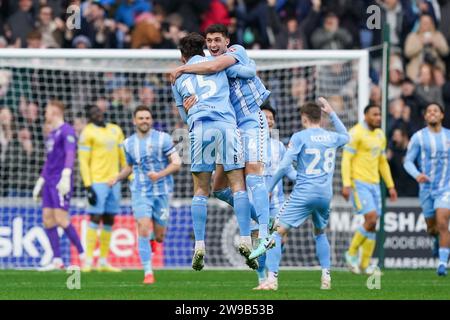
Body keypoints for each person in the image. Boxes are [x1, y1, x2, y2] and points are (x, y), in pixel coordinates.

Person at [170, 24, 273, 260]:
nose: (214, 45)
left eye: (218, 40)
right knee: (218, 188)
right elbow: (227, 70)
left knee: (253, 174)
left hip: (249, 120)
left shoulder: (233, 52)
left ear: (227, 41)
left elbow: (246, 70)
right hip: (229, 126)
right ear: (204, 45)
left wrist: (182, 70)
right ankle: (261, 221)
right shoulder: (209, 67)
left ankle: (265, 233)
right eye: (209, 41)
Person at [256, 98, 349, 290]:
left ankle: (271, 280)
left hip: (304, 192)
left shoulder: (300, 137)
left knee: (276, 232)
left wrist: (267, 189)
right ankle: (326, 277)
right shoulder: (332, 136)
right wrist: (331, 112)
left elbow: (283, 166)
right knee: (320, 232)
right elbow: (346, 136)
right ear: (321, 118)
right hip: (325, 195)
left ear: (304, 118)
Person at [109, 105, 181, 284]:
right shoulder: (128, 144)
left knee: (159, 236)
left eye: (147, 118)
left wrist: (159, 175)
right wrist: (117, 178)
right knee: (142, 226)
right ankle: (148, 272)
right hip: (140, 191)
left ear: (151, 120)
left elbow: (177, 163)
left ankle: (152, 240)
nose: (144, 121)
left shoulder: (163, 139)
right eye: (141, 118)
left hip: (162, 191)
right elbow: (129, 166)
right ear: (134, 121)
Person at [342, 104, 398, 275]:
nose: (378, 118)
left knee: (373, 225)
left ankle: (365, 264)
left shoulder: (380, 135)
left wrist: (390, 185)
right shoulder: (355, 133)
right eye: (374, 114)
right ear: (365, 115)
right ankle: (351, 253)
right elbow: (346, 160)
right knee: (371, 219)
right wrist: (346, 184)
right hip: (359, 183)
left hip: (375, 184)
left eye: (379, 115)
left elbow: (382, 162)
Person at [32, 100, 84, 270]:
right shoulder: (52, 133)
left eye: (47, 110)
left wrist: (66, 175)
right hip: (49, 181)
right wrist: (40, 180)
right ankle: (57, 260)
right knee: (47, 219)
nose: (45, 113)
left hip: (60, 181)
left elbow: (70, 153)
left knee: (61, 219)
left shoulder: (66, 130)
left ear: (55, 112)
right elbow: (49, 160)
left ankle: (83, 255)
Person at [252, 103, 296, 288]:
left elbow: (290, 172)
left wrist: (305, 180)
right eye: (265, 117)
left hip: (276, 200)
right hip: (253, 201)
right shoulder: (248, 143)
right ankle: (262, 277)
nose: (269, 120)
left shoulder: (279, 146)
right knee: (258, 243)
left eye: (271, 118)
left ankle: (272, 278)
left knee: (278, 236)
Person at [404, 103, 450, 276]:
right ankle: (437, 241)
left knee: (443, 222)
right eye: (429, 111)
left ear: (442, 115)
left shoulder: (449, 136)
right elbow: (408, 161)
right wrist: (417, 175)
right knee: (432, 227)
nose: (432, 113)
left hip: (446, 187)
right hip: (426, 188)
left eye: (435, 111)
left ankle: (442, 264)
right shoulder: (418, 137)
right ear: (425, 116)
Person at [78, 105, 126, 272]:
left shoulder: (115, 130)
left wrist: (130, 176)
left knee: (109, 219)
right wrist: (88, 185)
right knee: (95, 217)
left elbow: (123, 157)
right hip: (97, 181)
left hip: (114, 181)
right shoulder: (87, 132)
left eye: (98, 111)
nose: (97, 114)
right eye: (93, 113)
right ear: (89, 117)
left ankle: (103, 262)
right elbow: (83, 161)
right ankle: (89, 261)